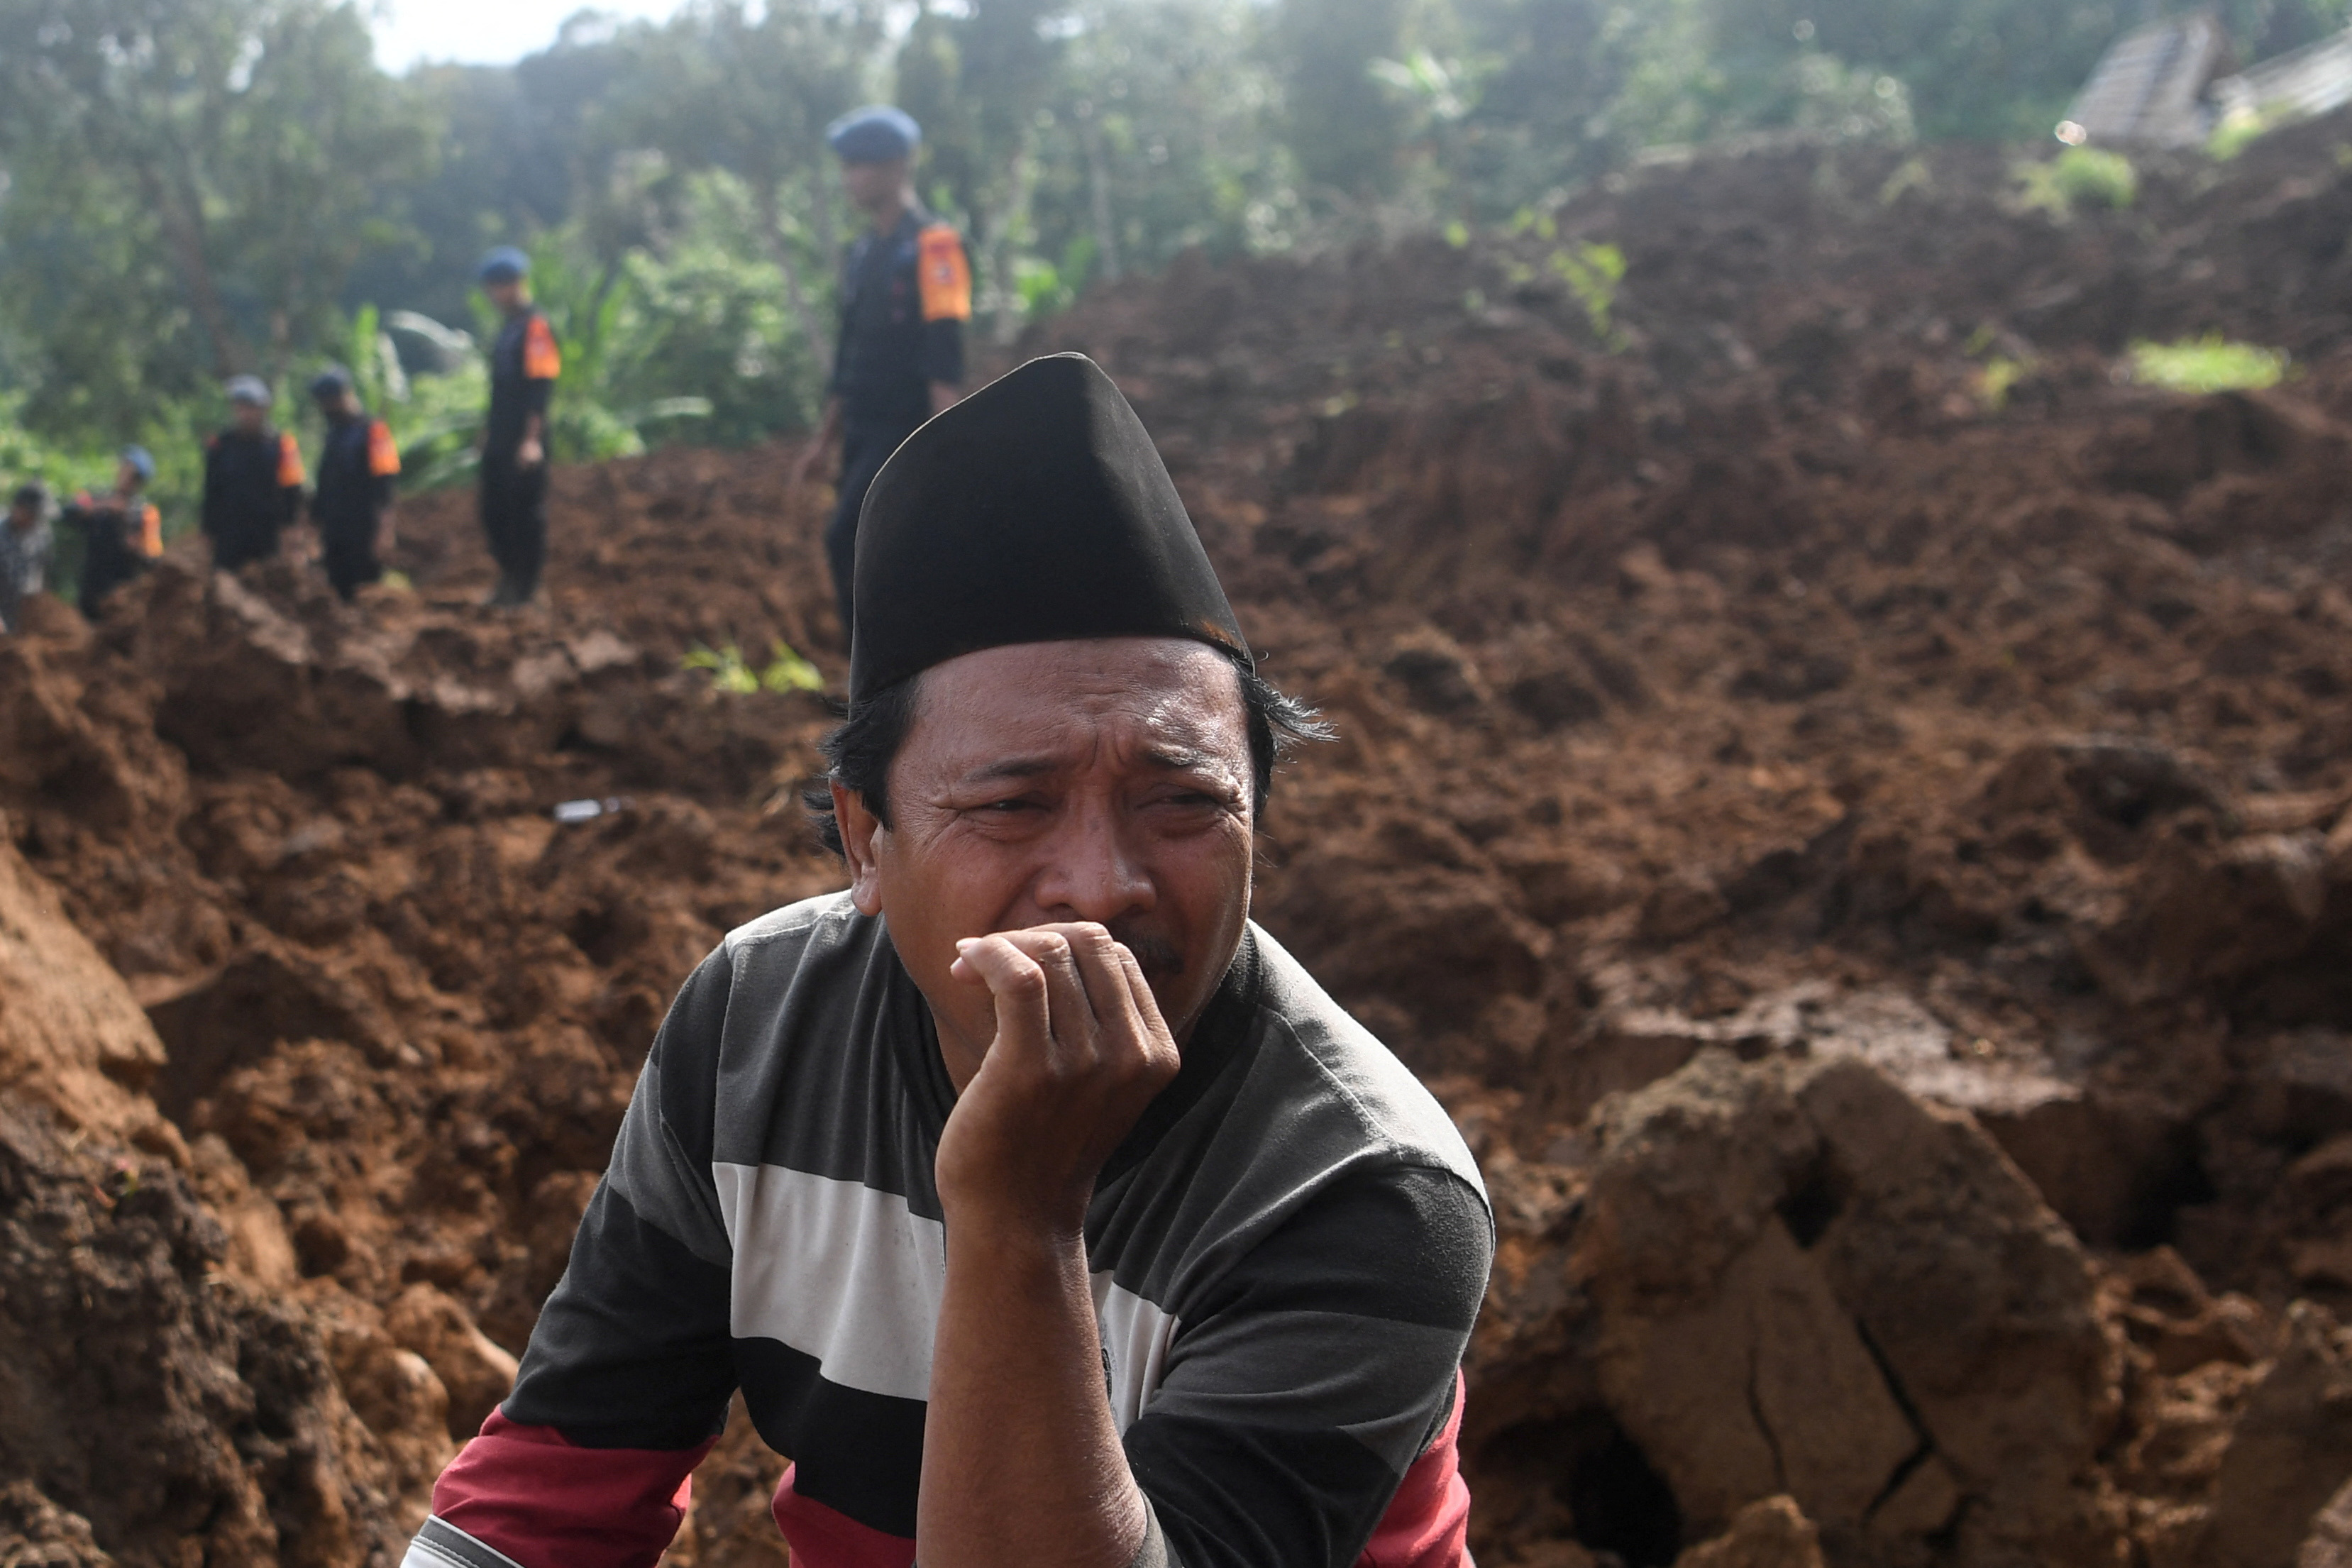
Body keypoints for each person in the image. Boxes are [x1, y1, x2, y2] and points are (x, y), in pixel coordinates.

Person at [403, 355, 1492, 1568]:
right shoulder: (760, 1027)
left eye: (1183, 802)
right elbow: (557, 1484)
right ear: (868, 839)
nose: (1102, 882)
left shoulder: (1356, 1182)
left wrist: (1021, 1219)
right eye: (1016, 805)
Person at [790, 104, 972, 644]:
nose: (850, 178)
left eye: (860, 166)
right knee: (874, 545)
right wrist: (823, 440)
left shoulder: (936, 245)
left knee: (848, 536)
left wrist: (950, 438)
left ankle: (877, 677)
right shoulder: (863, 251)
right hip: (863, 427)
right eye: (846, 167)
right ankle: (881, 675)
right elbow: (849, 354)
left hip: (907, 424)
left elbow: (944, 349)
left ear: (897, 168)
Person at [477, 246, 560, 607]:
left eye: (504, 284)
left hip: (525, 438)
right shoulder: (508, 330)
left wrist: (532, 440)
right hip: (500, 436)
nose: (498, 293)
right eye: (493, 286)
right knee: (494, 510)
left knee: (524, 513)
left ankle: (527, 587)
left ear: (519, 284)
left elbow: (540, 389)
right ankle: (508, 577)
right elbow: (500, 390)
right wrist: (488, 431)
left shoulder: (536, 328)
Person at [308, 365, 401, 601]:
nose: (328, 407)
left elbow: (386, 486)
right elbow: (325, 484)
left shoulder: (374, 431)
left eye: (332, 400)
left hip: (364, 528)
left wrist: (385, 532)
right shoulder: (333, 435)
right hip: (335, 529)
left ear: (346, 395)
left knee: (366, 590)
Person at [200, 375, 305, 572]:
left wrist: (292, 534)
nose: (245, 414)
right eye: (239, 408)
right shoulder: (220, 446)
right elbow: (211, 492)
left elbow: (292, 492)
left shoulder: (282, 446)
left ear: (264, 409)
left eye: (250, 408)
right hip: (230, 534)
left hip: (268, 535)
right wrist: (208, 532)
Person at [62, 448, 162, 620]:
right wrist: (105, 506)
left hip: (121, 597)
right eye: (124, 469)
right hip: (90, 593)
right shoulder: (99, 499)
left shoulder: (146, 513)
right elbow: (68, 512)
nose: (125, 476)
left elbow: (153, 559)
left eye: (132, 474)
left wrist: (135, 547)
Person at [0, 482, 55, 634]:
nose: (35, 520)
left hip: (25, 615)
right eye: (32, 515)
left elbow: (42, 572)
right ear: (18, 509)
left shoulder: (42, 534)